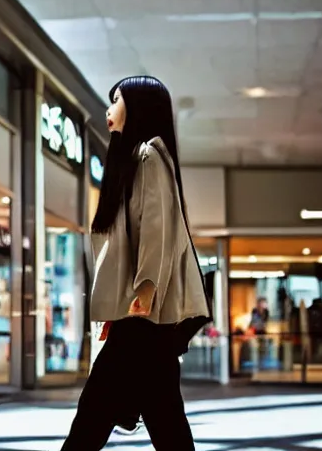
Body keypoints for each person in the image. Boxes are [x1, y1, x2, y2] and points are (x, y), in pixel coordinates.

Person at [61, 76, 212, 450]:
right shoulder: (137, 162)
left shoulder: (149, 157)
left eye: (116, 100)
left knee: (94, 413)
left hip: (143, 317)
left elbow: (157, 231)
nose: (109, 110)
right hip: (144, 320)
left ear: (139, 106)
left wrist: (143, 291)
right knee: (164, 418)